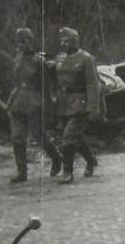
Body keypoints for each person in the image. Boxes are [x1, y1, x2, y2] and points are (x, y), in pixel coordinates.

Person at [7, 27, 61, 183]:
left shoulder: (39, 62)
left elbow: (47, 87)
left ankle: (56, 158)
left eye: (26, 41)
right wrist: (11, 100)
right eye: (20, 42)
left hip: (34, 102)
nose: (23, 45)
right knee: (17, 138)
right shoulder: (17, 59)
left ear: (31, 41)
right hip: (18, 102)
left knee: (39, 135)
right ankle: (21, 172)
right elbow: (16, 82)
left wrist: (49, 108)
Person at [55, 27, 101, 184]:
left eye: (66, 41)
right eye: (61, 41)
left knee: (68, 137)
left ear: (75, 41)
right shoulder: (60, 58)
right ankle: (90, 159)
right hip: (64, 103)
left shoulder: (86, 59)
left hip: (80, 103)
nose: (63, 43)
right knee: (76, 137)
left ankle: (67, 171)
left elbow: (93, 84)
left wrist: (93, 107)